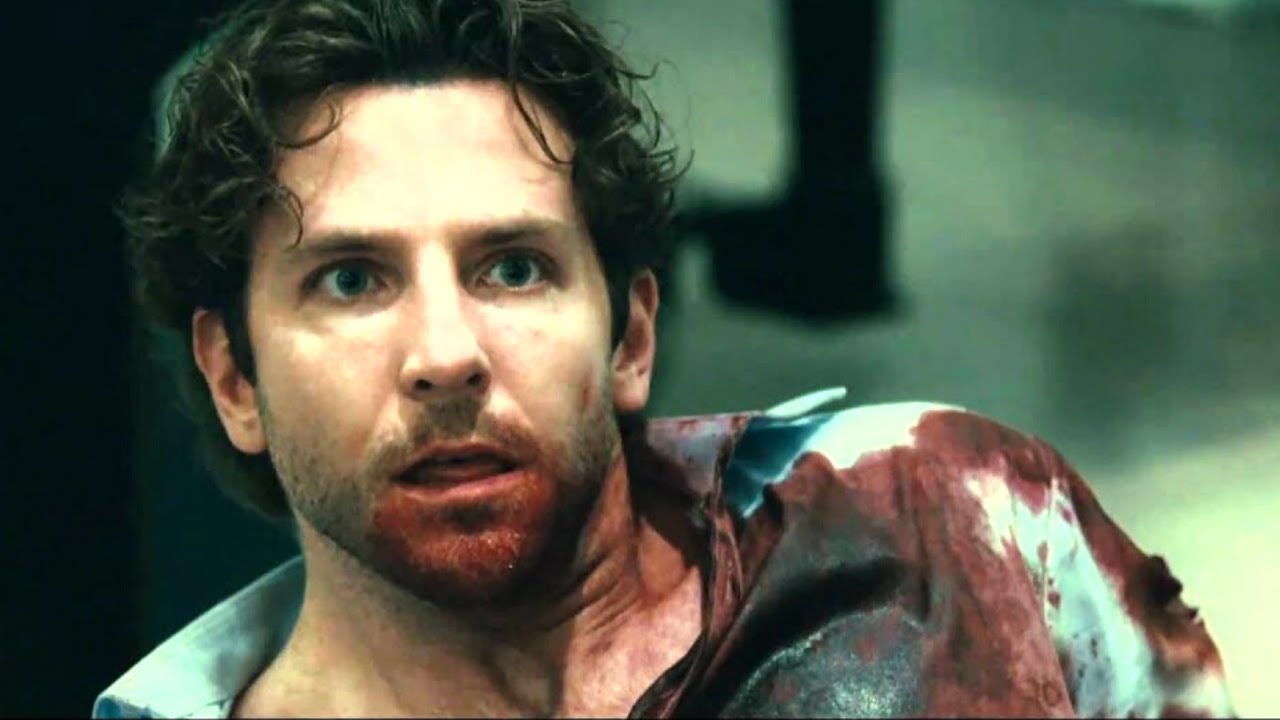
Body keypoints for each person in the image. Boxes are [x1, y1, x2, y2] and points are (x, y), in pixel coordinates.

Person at [95, 0, 1236, 717]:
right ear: (234, 379)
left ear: (632, 335)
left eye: (512, 267)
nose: (445, 355)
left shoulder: (958, 527)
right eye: (351, 280)